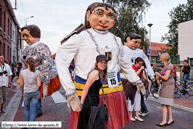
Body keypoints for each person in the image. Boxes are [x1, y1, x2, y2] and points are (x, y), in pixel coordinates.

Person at [55, 2, 144, 129]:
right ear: (88, 15)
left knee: (113, 124)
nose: (104, 19)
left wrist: (137, 80)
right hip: (89, 92)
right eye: (99, 13)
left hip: (115, 90)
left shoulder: (117, 40)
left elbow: (124, 64)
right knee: (89, 124)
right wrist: (70, 91)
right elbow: (61, 58)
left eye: (110, 15)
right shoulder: (80, 38)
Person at [20, 25, 61, 117]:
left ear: (35, 35)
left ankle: (37, 110)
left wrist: (45, 78)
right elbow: (23, 61)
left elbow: (47, 62)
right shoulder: (27, 48)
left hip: (38, 75)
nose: (25, 38)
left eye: (27, 35)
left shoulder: (43, 47)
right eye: (24, 36)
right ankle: (36, 109)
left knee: (35, 94)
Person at [121, 32, 153, 117]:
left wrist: (151, 74)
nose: (137, 45)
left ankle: (133, 111)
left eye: (139, 43)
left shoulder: (140, 52)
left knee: (135, 96)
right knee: (126, 95)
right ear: (128, 39)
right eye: (135, 42)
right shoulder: (122, 49)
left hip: (135, 78)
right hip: (124, 77)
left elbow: (146, 62)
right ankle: (128, 111)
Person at [77, 55, 107, 129]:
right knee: (91, 125)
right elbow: (85, 88)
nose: (103, 64)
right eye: (101, 62)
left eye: (105, 62)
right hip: (90, 104)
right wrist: (81, 104)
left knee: (92, 125)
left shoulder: (99, 72)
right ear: (96, 63)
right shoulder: (95, 72)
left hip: (93, 102)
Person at [155, 53, 174, 127]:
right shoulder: (166, 66)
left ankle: (164, 121)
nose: (160, 59)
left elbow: (166, 77)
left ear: (165, 58)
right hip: (166, 86)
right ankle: (170, 119)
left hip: (168, 87)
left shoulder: (169, 66)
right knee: (167, 104)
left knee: (164, 104)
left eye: (161, 58)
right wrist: (159, 78)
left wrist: (158, 75)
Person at [20, 57, 41, 124]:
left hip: (26, 92)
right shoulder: (37, 72)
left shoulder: (22, 72)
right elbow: (39, 84)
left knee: (26, 109)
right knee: (33, 110)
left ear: (27, 64)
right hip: (35, 92)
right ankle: (31, 127)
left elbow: (21, 84)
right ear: (34, 63)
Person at [126, 57, 146, 122]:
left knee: (138, 100)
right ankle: (130, 115)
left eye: (141, 64)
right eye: (140, 64)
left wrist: (147, 77)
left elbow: (143, 76)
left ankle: (137, 115)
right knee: (131, 100)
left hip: (138, 86)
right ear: (136, 62)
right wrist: (140, 69)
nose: (140, 65)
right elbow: (133, 75)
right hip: (131, 85)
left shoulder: (139, 68)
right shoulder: (131, 67)